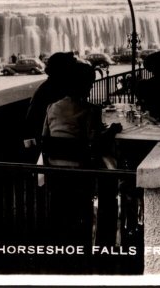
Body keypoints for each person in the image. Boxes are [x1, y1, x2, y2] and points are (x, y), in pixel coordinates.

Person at [42, 61, 121, 247]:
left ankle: (58, 244)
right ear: (84, 86)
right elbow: (96, 144)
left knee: (60, 210)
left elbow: (45, 139)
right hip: (80, 174)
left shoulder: (52, 107)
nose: (91, 88)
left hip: (56, 174)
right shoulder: (90, 111)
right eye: (90, 84)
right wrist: (113, 130)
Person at [22, 52, 77, 155]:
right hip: (52, 147)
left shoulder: (48, 88)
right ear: (63, 70)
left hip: (48, 144)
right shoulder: (58, 90)